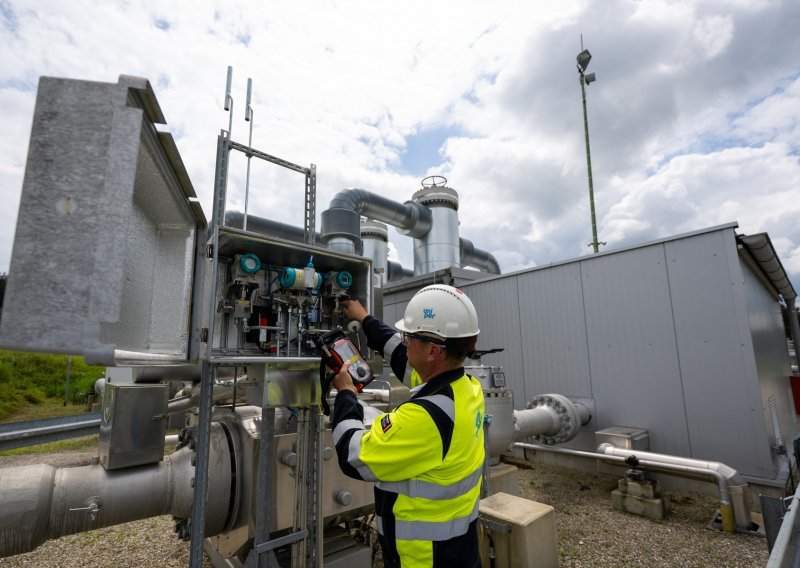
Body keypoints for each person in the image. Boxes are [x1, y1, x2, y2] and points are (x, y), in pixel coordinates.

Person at [331, 284, 485, 567]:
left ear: (433, 351)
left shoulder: (426, 417)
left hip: (425, 559)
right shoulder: (467, 388)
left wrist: (345, 395)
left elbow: (353, 456)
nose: (403, 341)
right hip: (460, 549)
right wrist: (365, 319)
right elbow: (400, 355)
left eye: (409, 336)